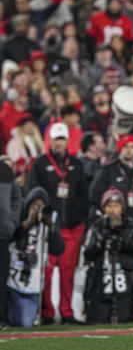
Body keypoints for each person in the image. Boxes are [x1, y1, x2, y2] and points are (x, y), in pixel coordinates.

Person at [26, 122, 88, 324]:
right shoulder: (40, 164)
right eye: (55, 139)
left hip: (72, 225)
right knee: (47, 272)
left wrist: (79, 216)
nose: (59, 143)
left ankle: (67, 312)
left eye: (62, 139)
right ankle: (47, 313)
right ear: (49, 140)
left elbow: (83, 194)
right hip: (49, 226)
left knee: (68, 271)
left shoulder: (76, 164)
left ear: (67, 141)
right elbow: (32, 191)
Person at [6, 187, 64, 328]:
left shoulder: (49, 221)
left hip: (33, 282)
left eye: (40, 206)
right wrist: (27, 223)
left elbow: (58, 249)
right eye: (34, 205)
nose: (37, 209)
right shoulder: (19, 214)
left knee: (25, 323)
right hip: (12, 279)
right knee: (12, 319)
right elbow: (10, 238)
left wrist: (51, 227)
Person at [83, 188, 133, 324]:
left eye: (116, 206)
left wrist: (122, 241)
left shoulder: (130, 225)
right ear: (104, 208)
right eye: (109, 206)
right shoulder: (96, 227)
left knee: (124, 320)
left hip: (125, 280)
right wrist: (101, 242)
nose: (113, 210)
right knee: (97, 321)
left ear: (122, 208)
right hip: (101, 280)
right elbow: (87, 254)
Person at [89, 134, 133, 223]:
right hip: (112, 221)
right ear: (120, 148)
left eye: (132, 147)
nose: (129, 150)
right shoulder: (107, 170)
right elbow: (94, 195)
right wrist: (110, 212)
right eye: (125, 146)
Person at [0, 160, 23, 329]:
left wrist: (12, 222)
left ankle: (1, 318)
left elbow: (17, 198)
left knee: (1, 280)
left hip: (2, 234)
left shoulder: (5, 171)